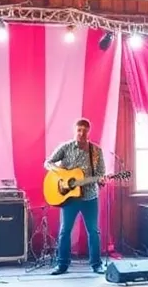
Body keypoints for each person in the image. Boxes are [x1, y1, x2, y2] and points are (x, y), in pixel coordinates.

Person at [45, 118, 108, 276]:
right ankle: (62, 265)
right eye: (79, 130)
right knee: (65, 231)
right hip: (69, 197)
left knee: (93, 231)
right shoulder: (65, 147)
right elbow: (47, 163)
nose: (81, 134)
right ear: (75, 131)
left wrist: (101, 180)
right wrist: (63, 175)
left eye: (84, 131)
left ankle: (96, 264)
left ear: (88, 132)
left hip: (90, 197)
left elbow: (101, 173)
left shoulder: (96, 151)